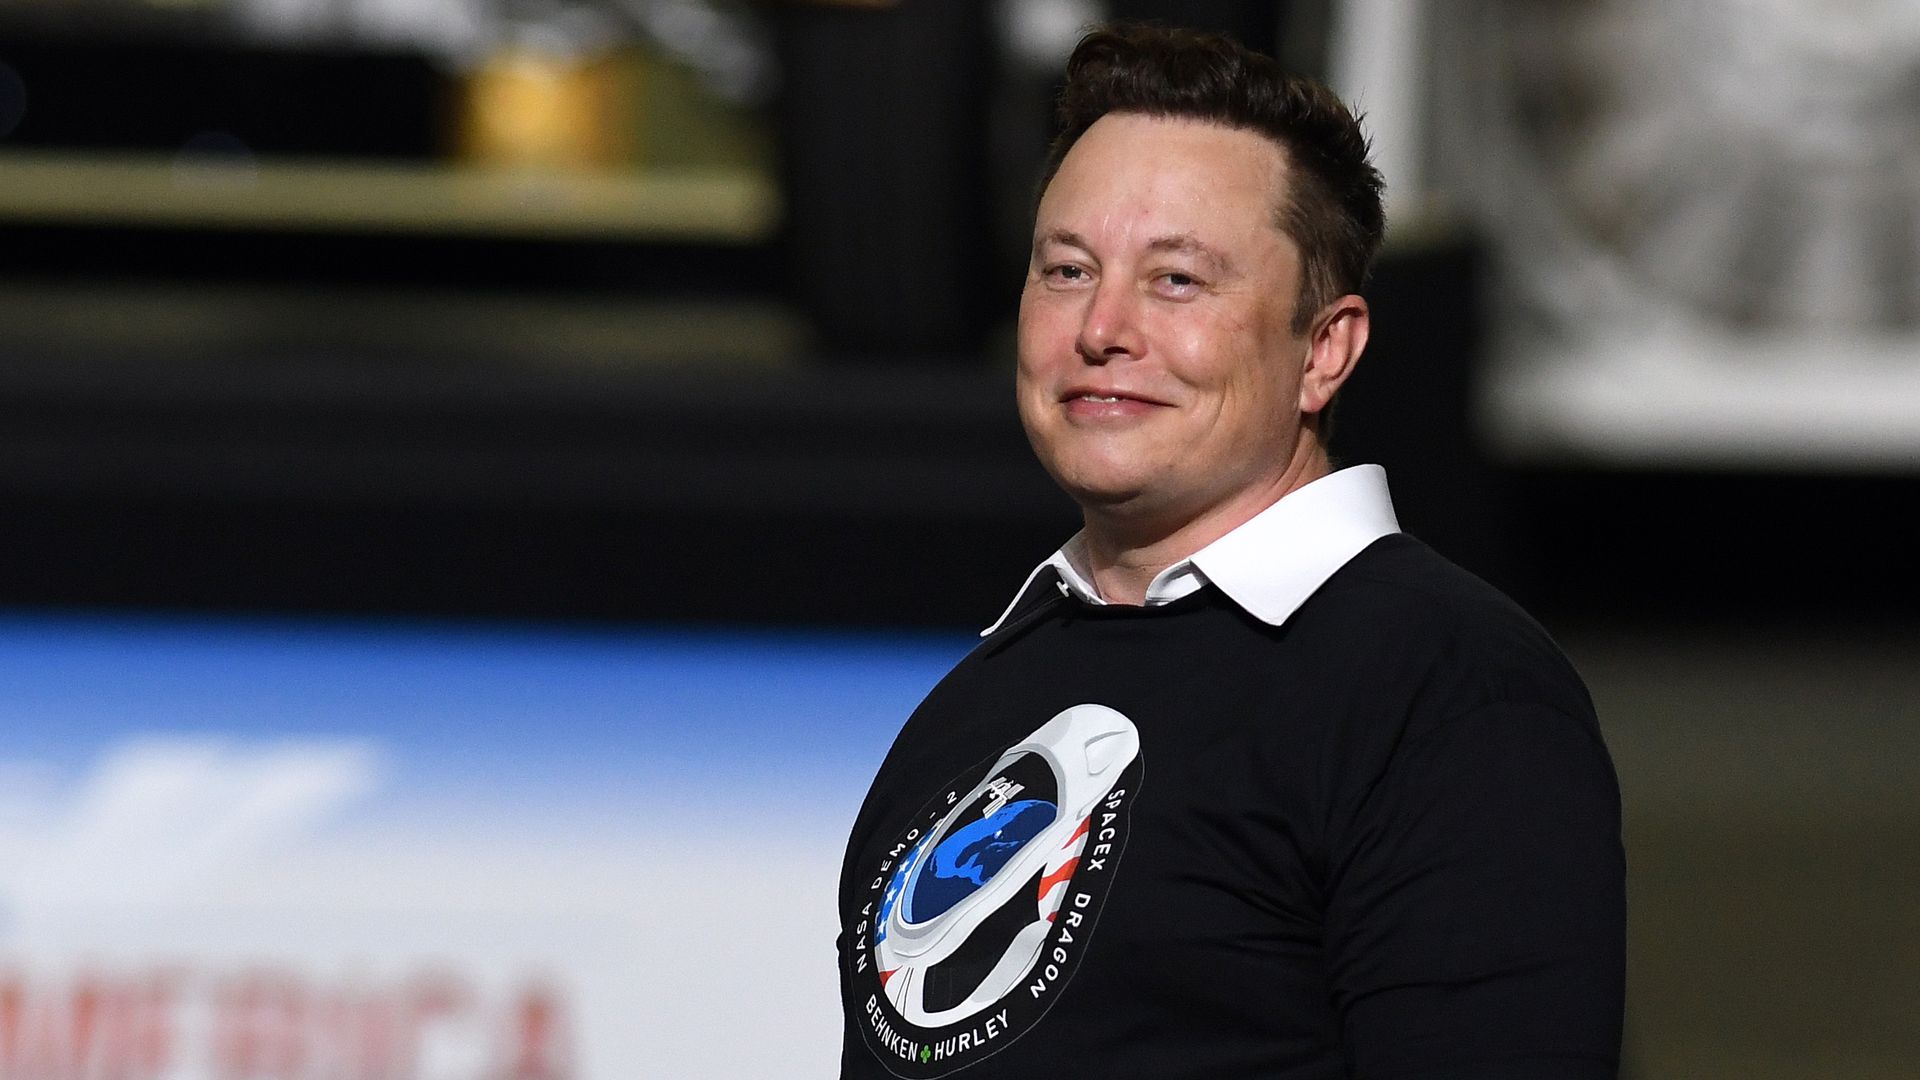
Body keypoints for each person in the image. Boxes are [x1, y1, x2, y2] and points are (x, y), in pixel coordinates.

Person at [836, 23, 1624, 1080]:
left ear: (1325, 348)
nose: (1102, 327)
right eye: (1067, 269)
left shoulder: (1447, 687)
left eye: (1177, 281)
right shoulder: (975, 705)